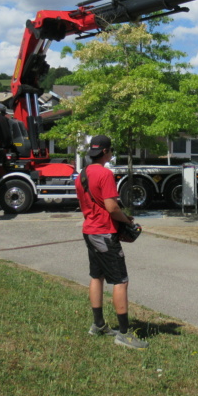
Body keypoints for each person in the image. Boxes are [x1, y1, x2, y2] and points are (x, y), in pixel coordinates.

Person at [76, 135, 149, 349]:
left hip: (89, 230)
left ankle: (98, 324)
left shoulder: (82, 175)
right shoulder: (105, 174)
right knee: (120, 280)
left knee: (96, 276)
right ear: (106, 151)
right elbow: (112, 207)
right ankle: (124, 334)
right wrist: (127, 221)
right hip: (104, 233)